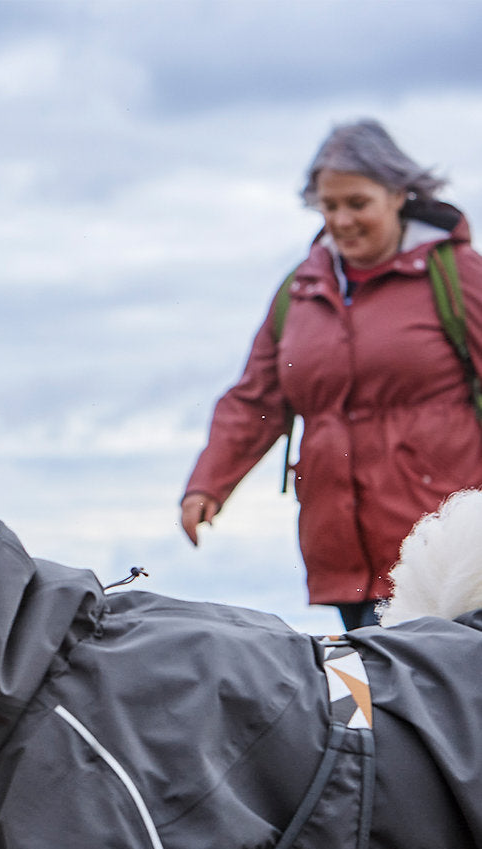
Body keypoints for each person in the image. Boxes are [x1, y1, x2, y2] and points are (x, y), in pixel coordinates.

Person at [180, 119, 482, 630]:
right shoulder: (300, 290)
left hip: (449, 556)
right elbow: (257, 399)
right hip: (345, 555)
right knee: (376, 701)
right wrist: (208, 484)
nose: (341, 220)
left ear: (397, 196)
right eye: (329, 205)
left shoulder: (456, 274)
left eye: (357, 203)